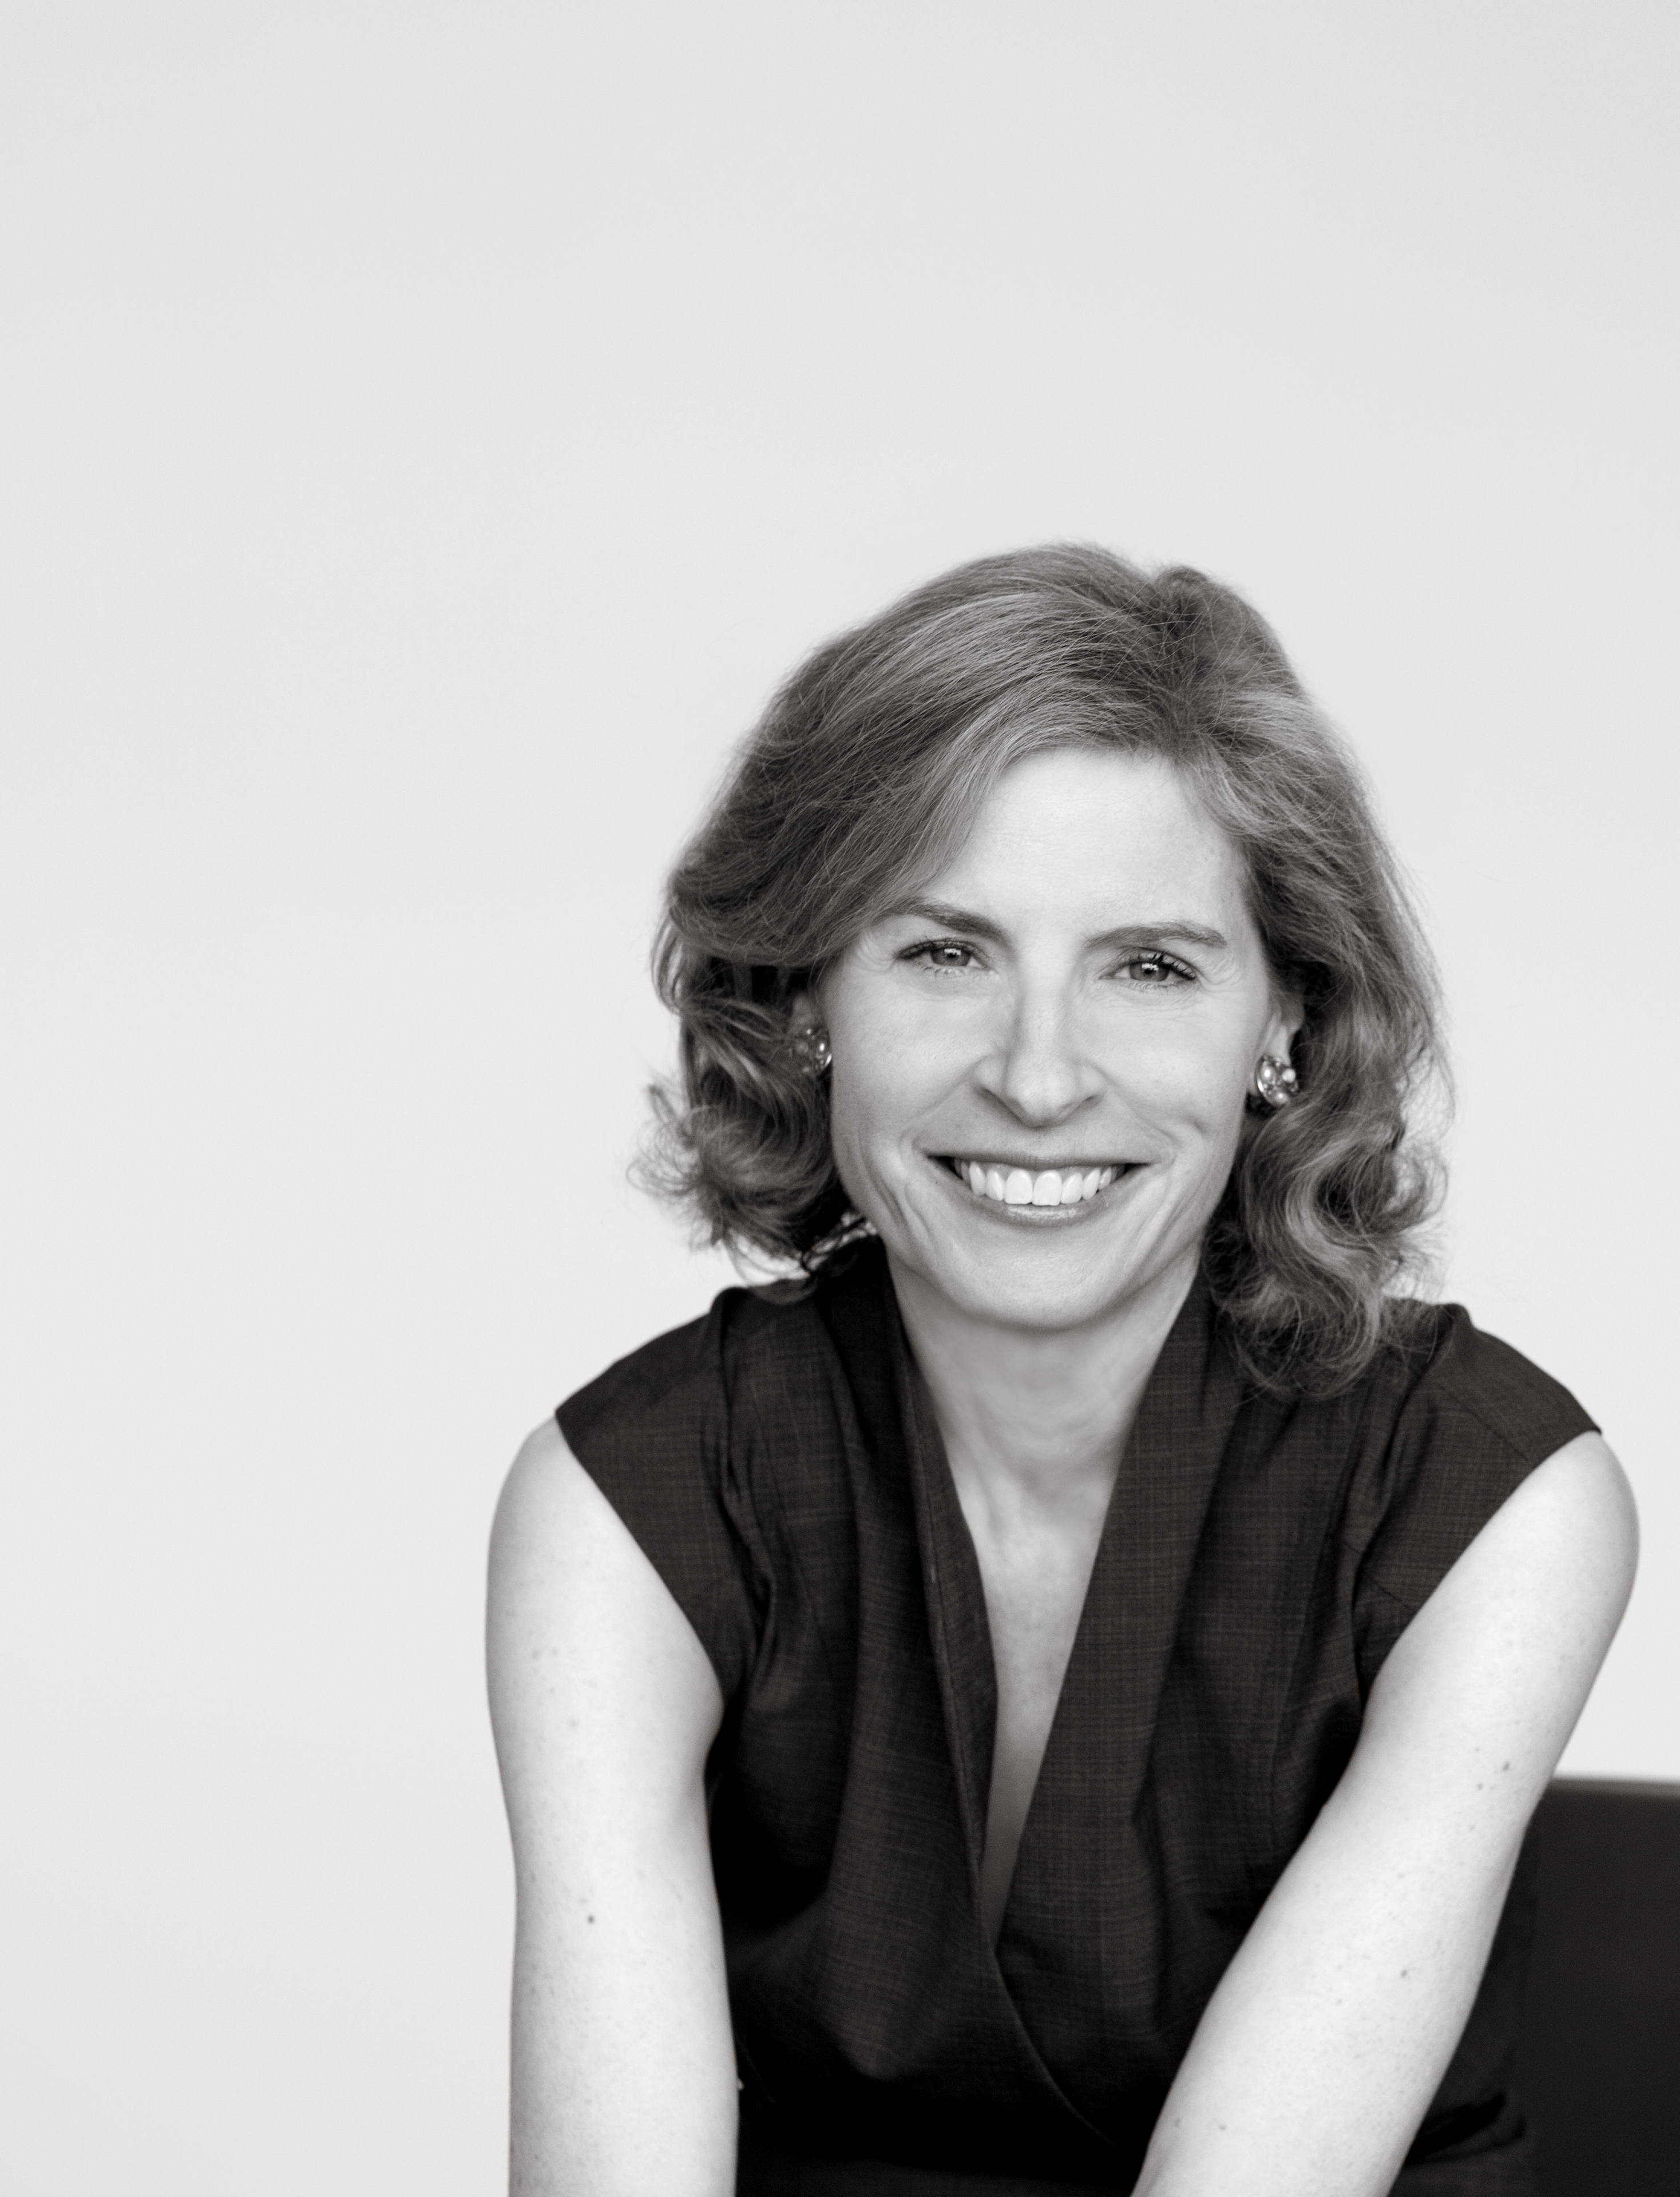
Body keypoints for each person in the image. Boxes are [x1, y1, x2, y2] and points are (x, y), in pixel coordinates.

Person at [486, 546, 1636, 2197]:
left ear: (1285, 1026)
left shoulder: (1494, 1501)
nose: (1037, 1078)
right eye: (943, 952)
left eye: (1150, 967)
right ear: (808, 997)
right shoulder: (627, 1507)